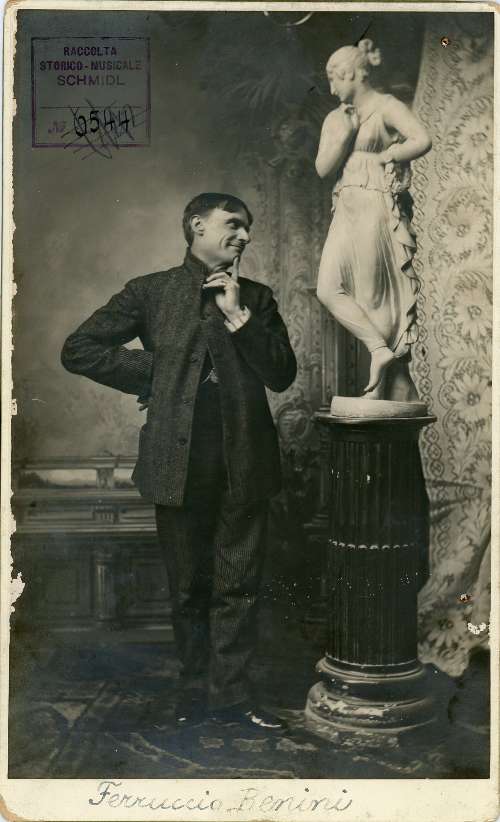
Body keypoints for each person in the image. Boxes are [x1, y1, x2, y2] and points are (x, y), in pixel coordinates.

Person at [61, 192, 297, 732]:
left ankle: (233, 699)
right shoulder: (150, 291)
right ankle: (193, 694)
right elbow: (79, 349)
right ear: (197, 226)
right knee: (188, 586)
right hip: (176, 461)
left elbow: (282, 374)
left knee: (238, 585)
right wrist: (161, 375)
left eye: (248, 228)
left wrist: (237, 315)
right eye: (233, 224)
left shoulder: (256, 299)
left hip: (245, 460)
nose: (244, 235)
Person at [316, 39, 432, 400]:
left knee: (372, 296)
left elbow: (422, 139)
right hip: (345, 206)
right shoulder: (336, 118)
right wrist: (345, 135)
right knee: (328, 289)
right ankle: (380, 352)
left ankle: (390, 384)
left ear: (353, 74)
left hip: (374, 204)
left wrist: (389, 156)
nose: (332, 89)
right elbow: (322, 168)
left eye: (335, 79)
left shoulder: (386, 106)